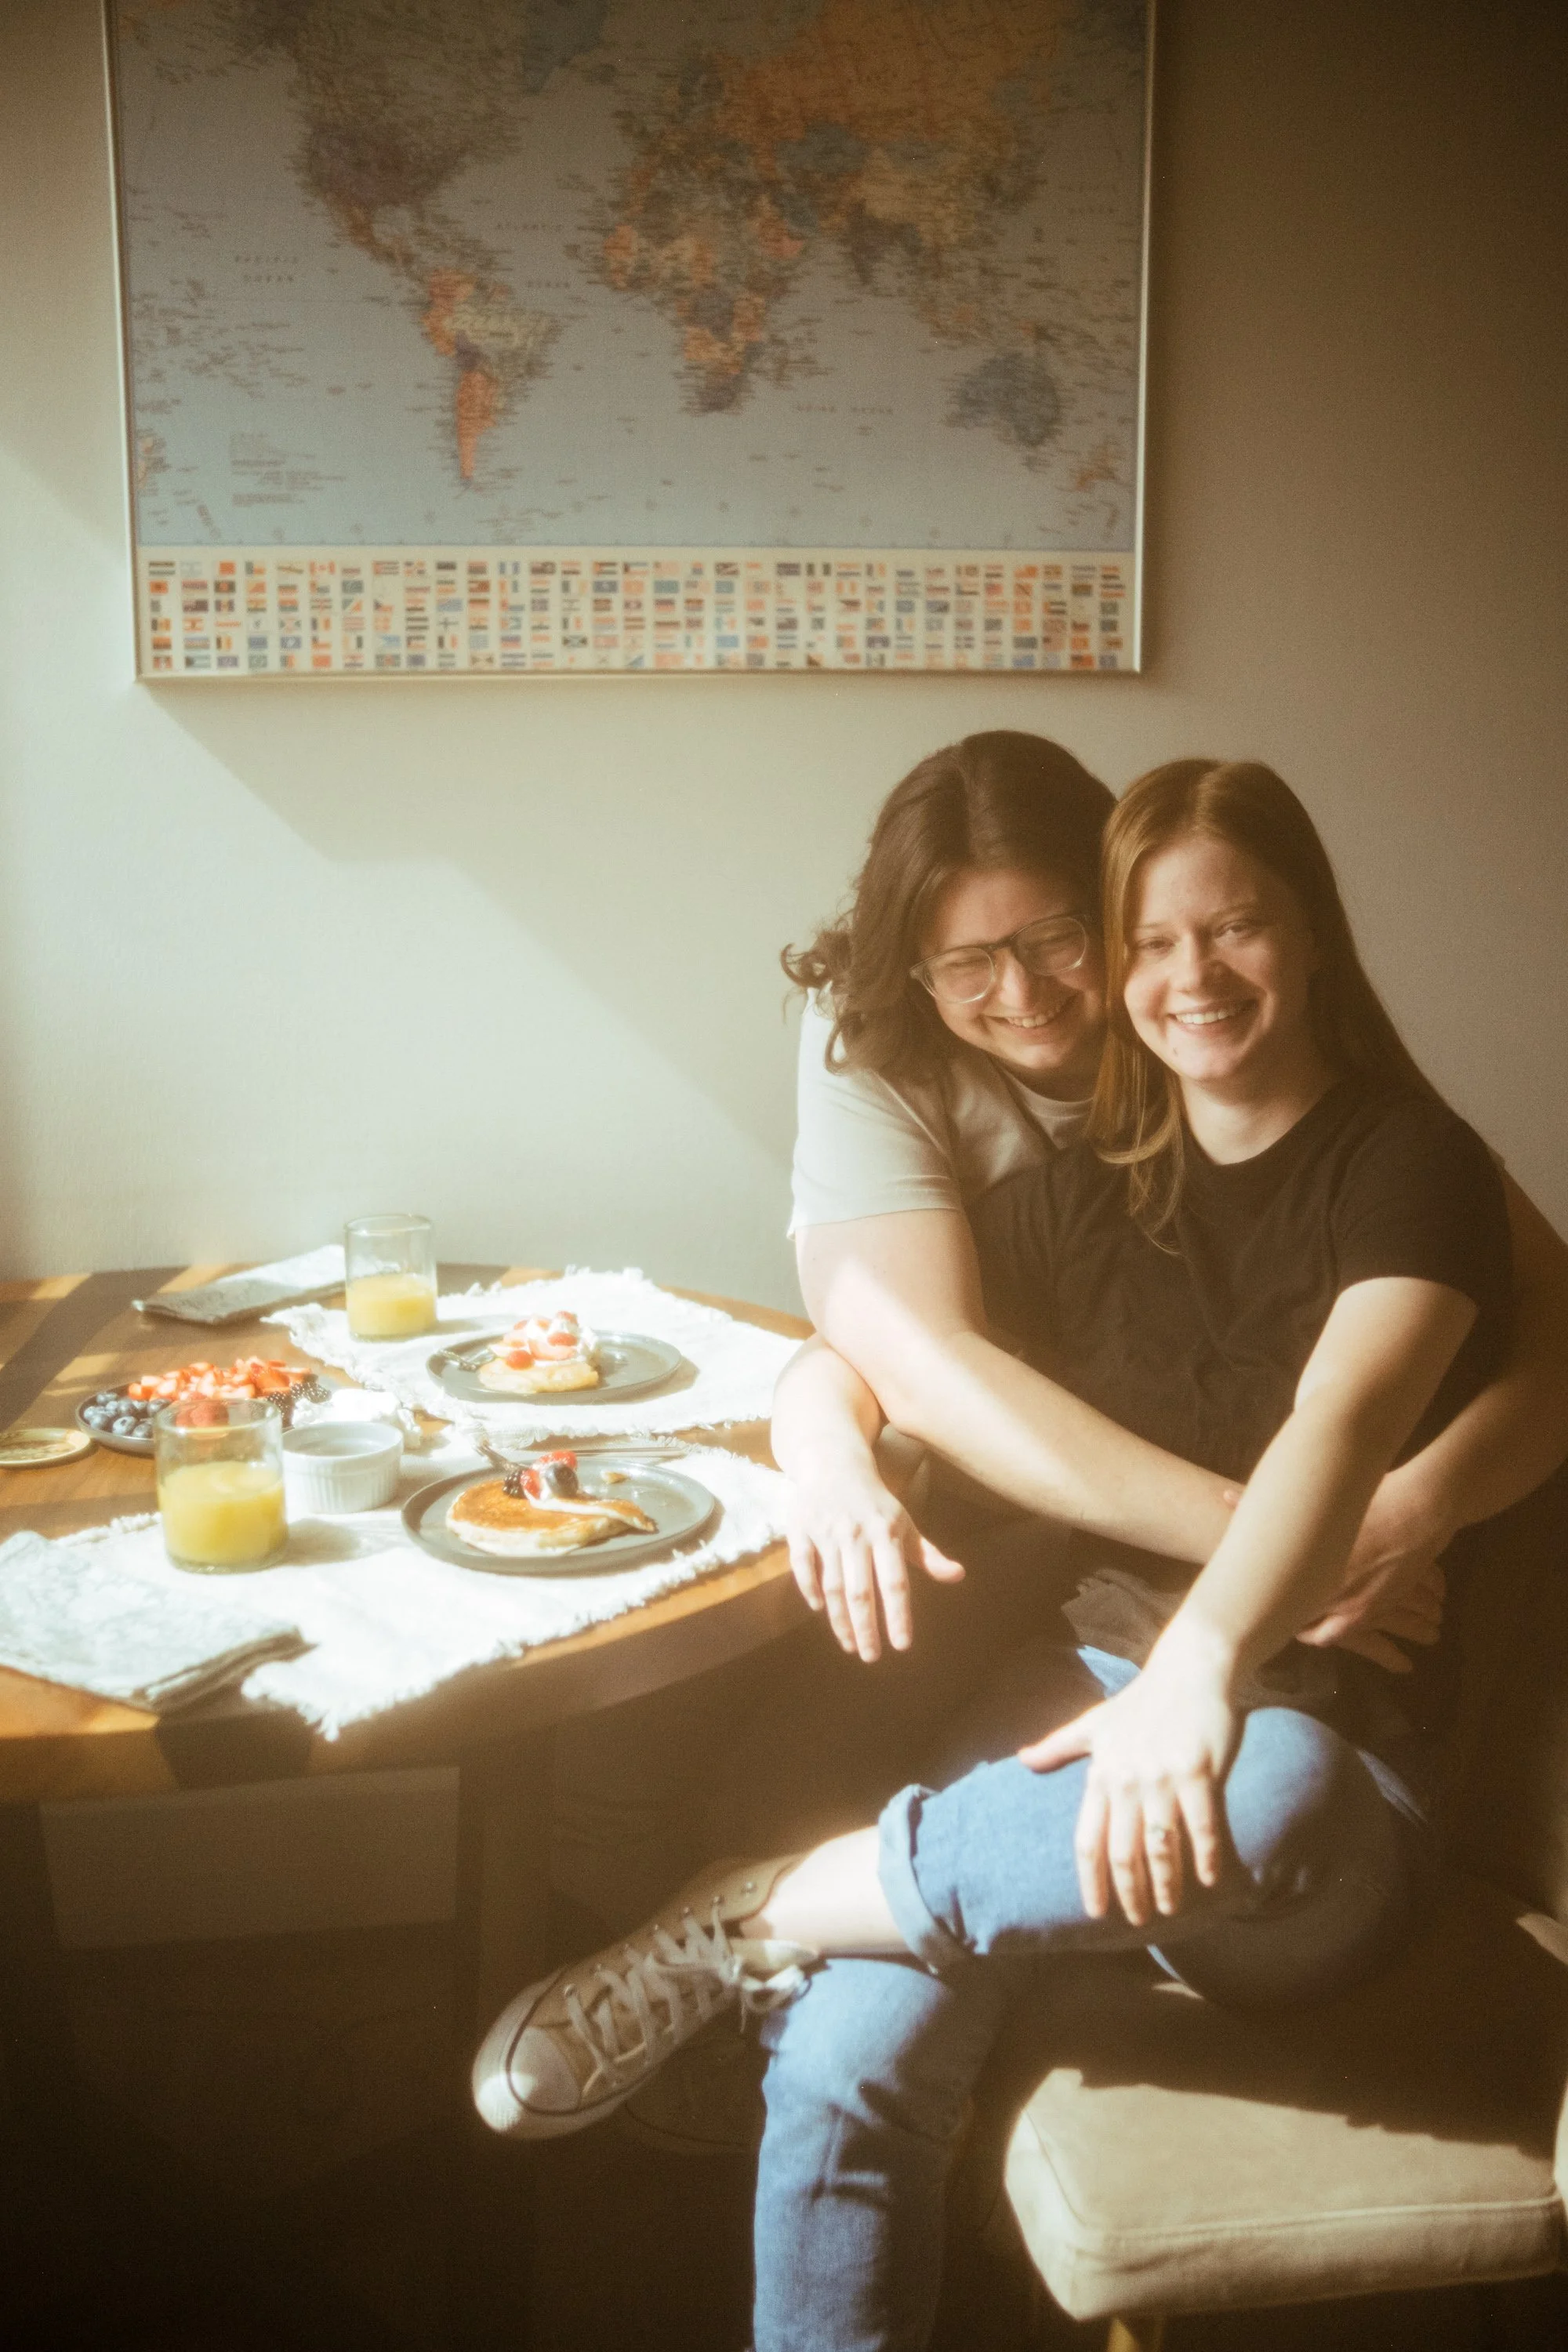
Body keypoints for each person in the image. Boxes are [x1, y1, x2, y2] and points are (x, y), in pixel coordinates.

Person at [471, 758, 1555, 2352]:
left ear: (1309, 936)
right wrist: (825, 1438)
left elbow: (1341, 1417)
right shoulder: (1098, 1191)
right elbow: (880, 1347)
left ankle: (769, 1902)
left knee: (1271, 1796)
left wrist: (1213, 1659)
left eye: (1233, 929)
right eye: (1155, 944)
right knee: (850, 2053)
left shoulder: (1410, 1166)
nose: (1190, 977)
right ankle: (823, 1921)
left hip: (1327, 1750)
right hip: (1070, 1702)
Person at [775, 732, 1568, 1673]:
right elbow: (887, 1346)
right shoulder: (903, 1051)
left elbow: (1534, 1302)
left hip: (1252, 1616)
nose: (1020, 992)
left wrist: (1413, 1503)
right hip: (1099, 1545)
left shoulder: (1352, 1128)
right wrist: (825, 1460)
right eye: (966, 963)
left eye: (1058, 940)